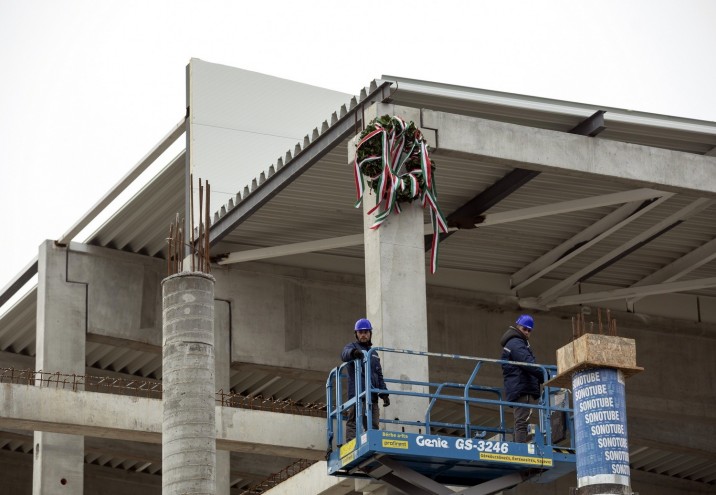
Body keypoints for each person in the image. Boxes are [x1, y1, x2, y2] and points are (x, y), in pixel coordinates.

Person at [341, 318, 389, 441]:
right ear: (356, 334)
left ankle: (372, 443)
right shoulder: (352, 347)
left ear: (370, 334)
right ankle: (351, 445)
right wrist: (353, 353)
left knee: (373, 424)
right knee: (354, 422)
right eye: (360, 332)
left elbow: (379, 375)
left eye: (366, 332)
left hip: (372, 396)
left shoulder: (374, 353)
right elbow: (344, 354)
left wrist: (384, 393)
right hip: (357, 395)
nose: (363, 335)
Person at [500, 314, 544, 443]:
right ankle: (520, 449)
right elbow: (528, 363)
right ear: (517, 326)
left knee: (521, 420)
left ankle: (519, 446)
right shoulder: (516, 342)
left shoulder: (517, 342)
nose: (527, 332)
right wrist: (545, 376)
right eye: (524, 329)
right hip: (522, 387)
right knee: (522, 421)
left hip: (520, 386)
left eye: (529, 330)